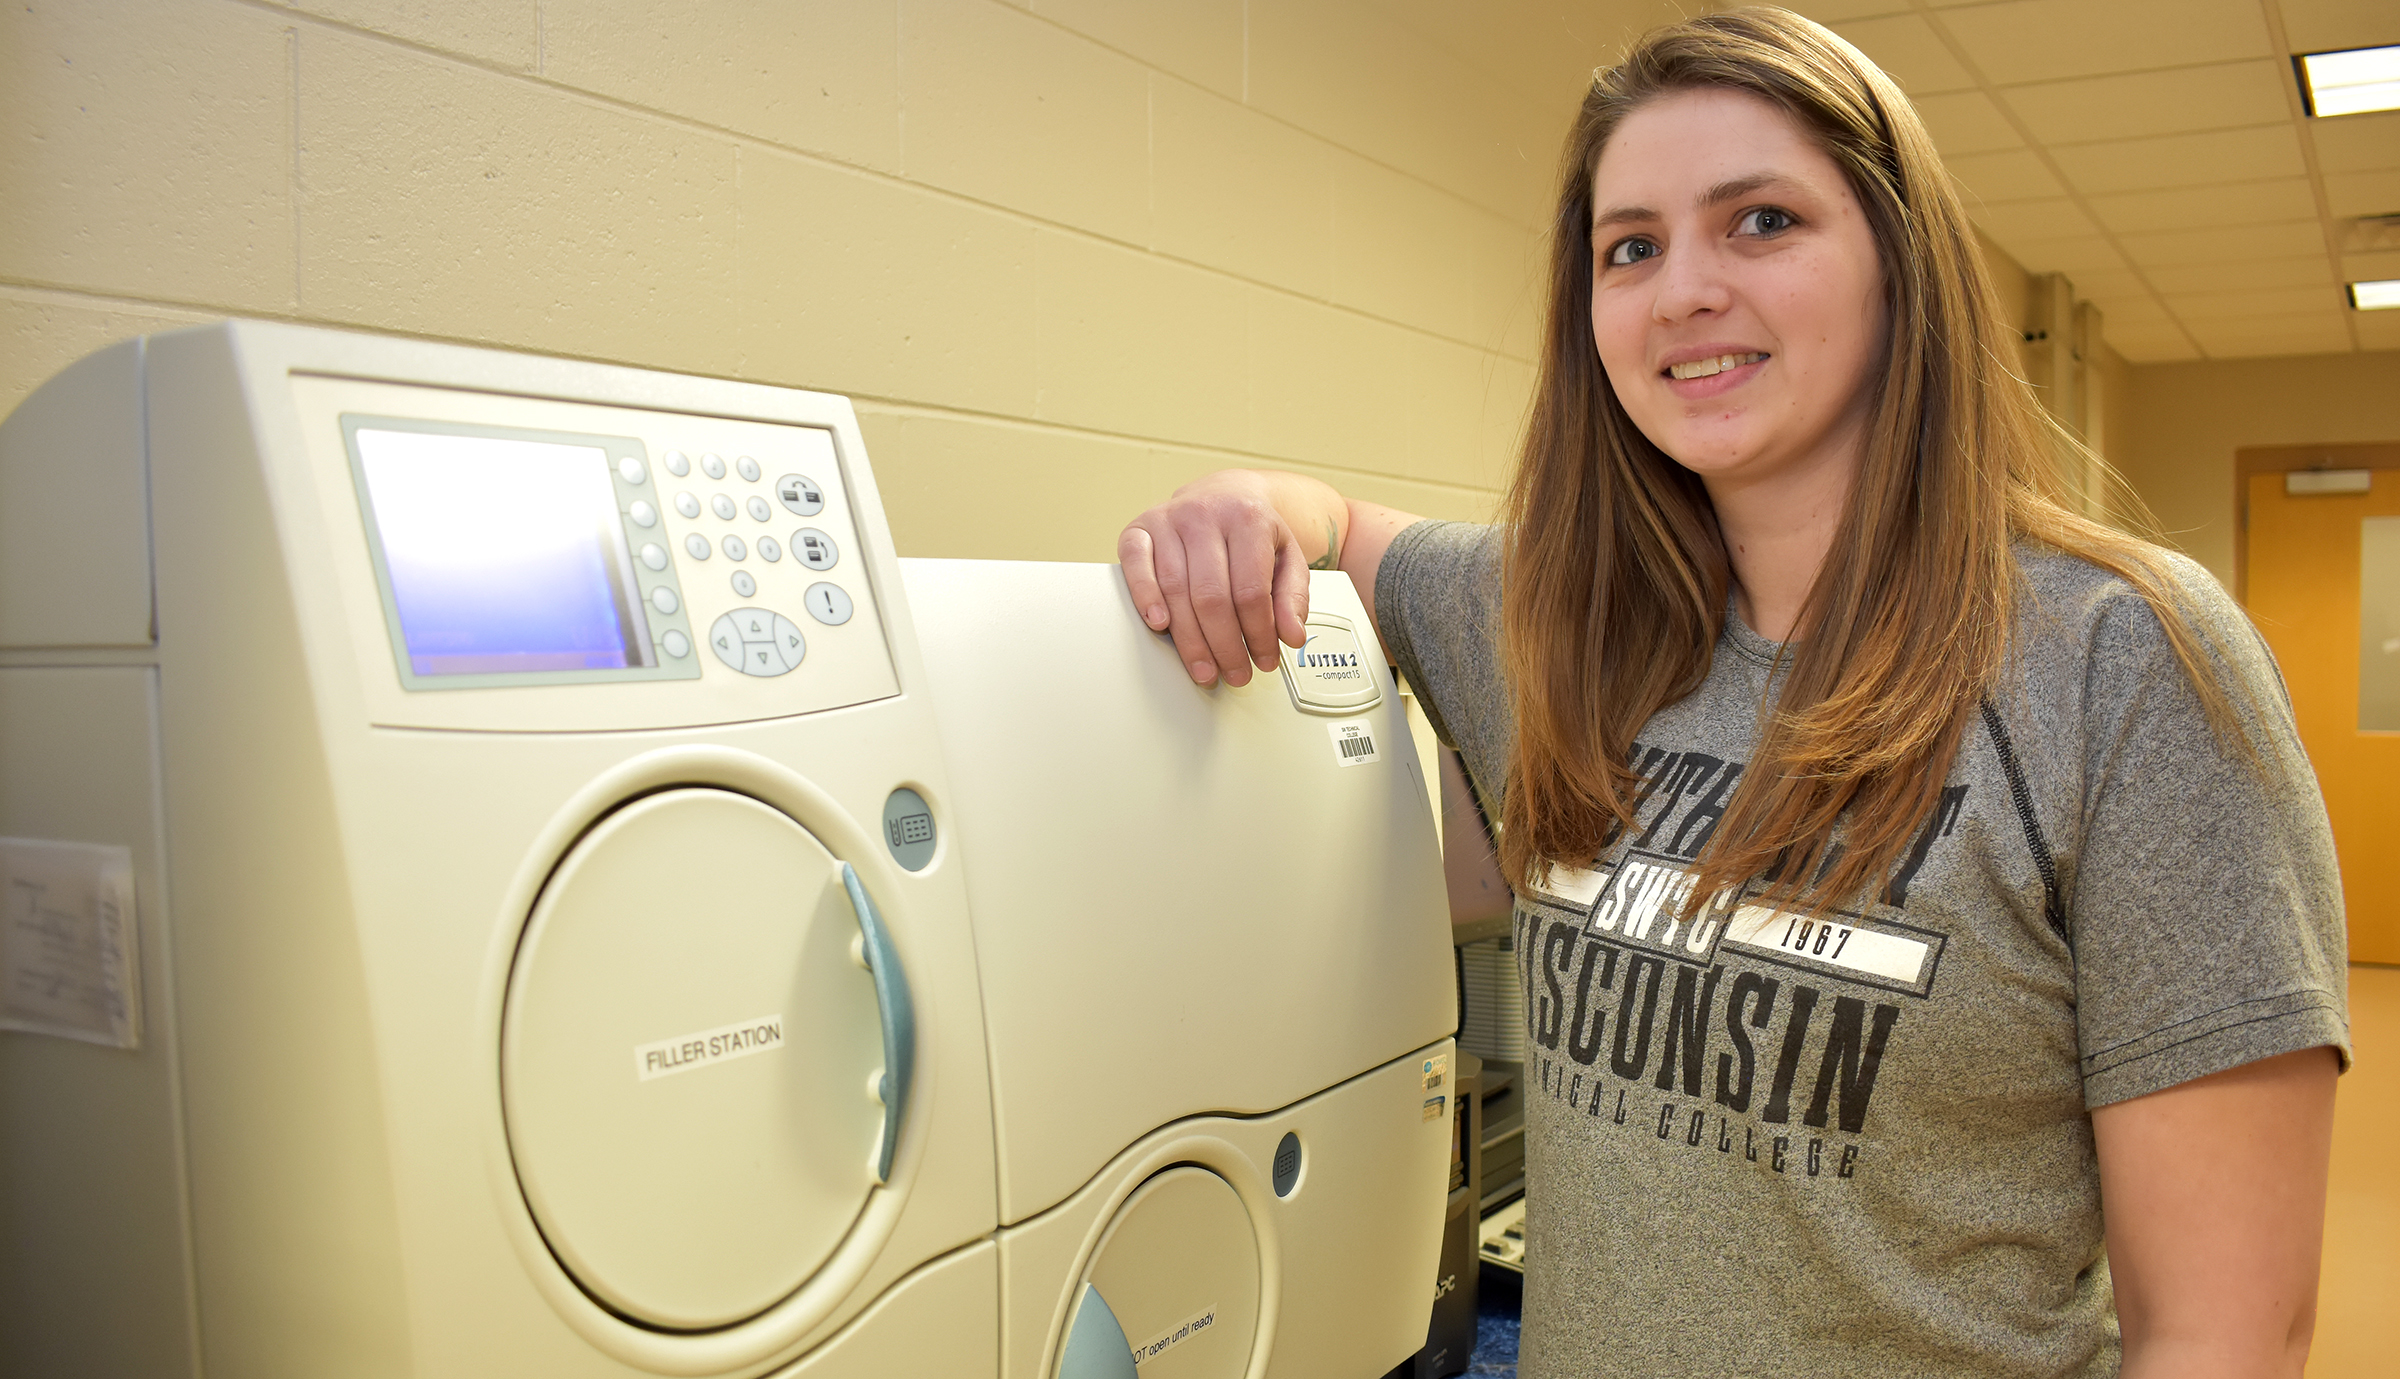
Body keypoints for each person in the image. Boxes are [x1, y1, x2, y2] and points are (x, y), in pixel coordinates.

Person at [1117, 9, 2349, 1377]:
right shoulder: (1554, 620)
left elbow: (2227, 1337)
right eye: (1630, 247)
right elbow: (1338, 525)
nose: (1683, 290)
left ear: (1900, 262)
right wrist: (1239, 506)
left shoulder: (2129, 666)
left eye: (1760, 222)